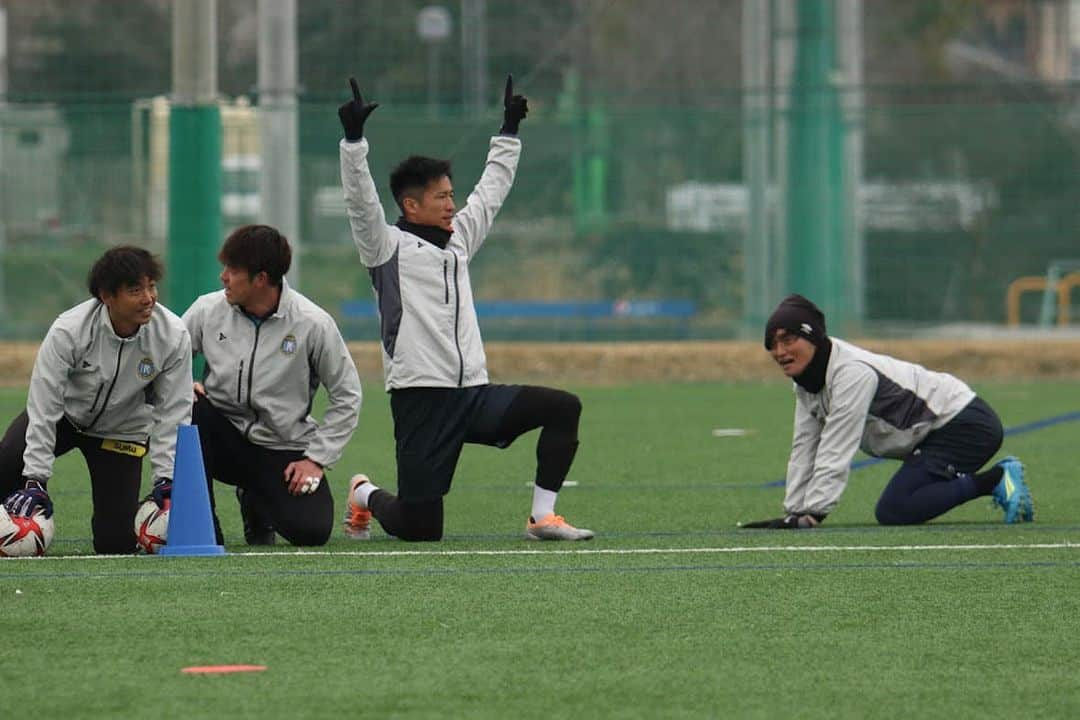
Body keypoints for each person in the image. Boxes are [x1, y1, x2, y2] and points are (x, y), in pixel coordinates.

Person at [337, 75, 592, 542]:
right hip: (421, 400)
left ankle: (542, 518)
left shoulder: (458, 243)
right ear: (410, 205)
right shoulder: (384, 248)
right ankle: (364, 494)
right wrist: (354, 143)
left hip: (473, 394)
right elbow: (360, 203)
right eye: (442, 197)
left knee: (562, 407)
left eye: (452, 195)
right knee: (420, 529)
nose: (453, 204)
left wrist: (509, 131)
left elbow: (491, 191)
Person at [742, 293, 1033, 530]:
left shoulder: (851, 373)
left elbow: (836, 445)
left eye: (789, 339)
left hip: (964, 424)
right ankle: (993, 480)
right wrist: (793, 511)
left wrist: (813, 513)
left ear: (814, 338)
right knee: (898, 505)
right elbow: (805, 446)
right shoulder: (807, 382)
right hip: (936, 432)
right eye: (773, 343)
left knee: (895, 509)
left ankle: (997, 479)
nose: (779, 351)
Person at [0, 246, 192, 554]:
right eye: (135, 290)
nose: (149, 298)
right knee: (9, 457)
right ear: (106, 296)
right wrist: (35, 479)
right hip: (65, 417)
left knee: (115, 542)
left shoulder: (173, 335)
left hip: (122, 431)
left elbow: (175, 413)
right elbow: (44, 404)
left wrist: (167, 479)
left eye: (151, 286)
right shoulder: (69, 330)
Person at [182, 225, 362, 547]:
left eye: (233, 270)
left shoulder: (313, 324)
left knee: (312, 532)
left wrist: (316, 459)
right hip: (224, 440)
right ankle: (205, 526)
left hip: (283, 449)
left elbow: (347, 395)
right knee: (191, 408)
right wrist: (184, 384)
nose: (223, 277)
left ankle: (256, 503)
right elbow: (168, 361)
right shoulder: (207, 310)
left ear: (261, 278)